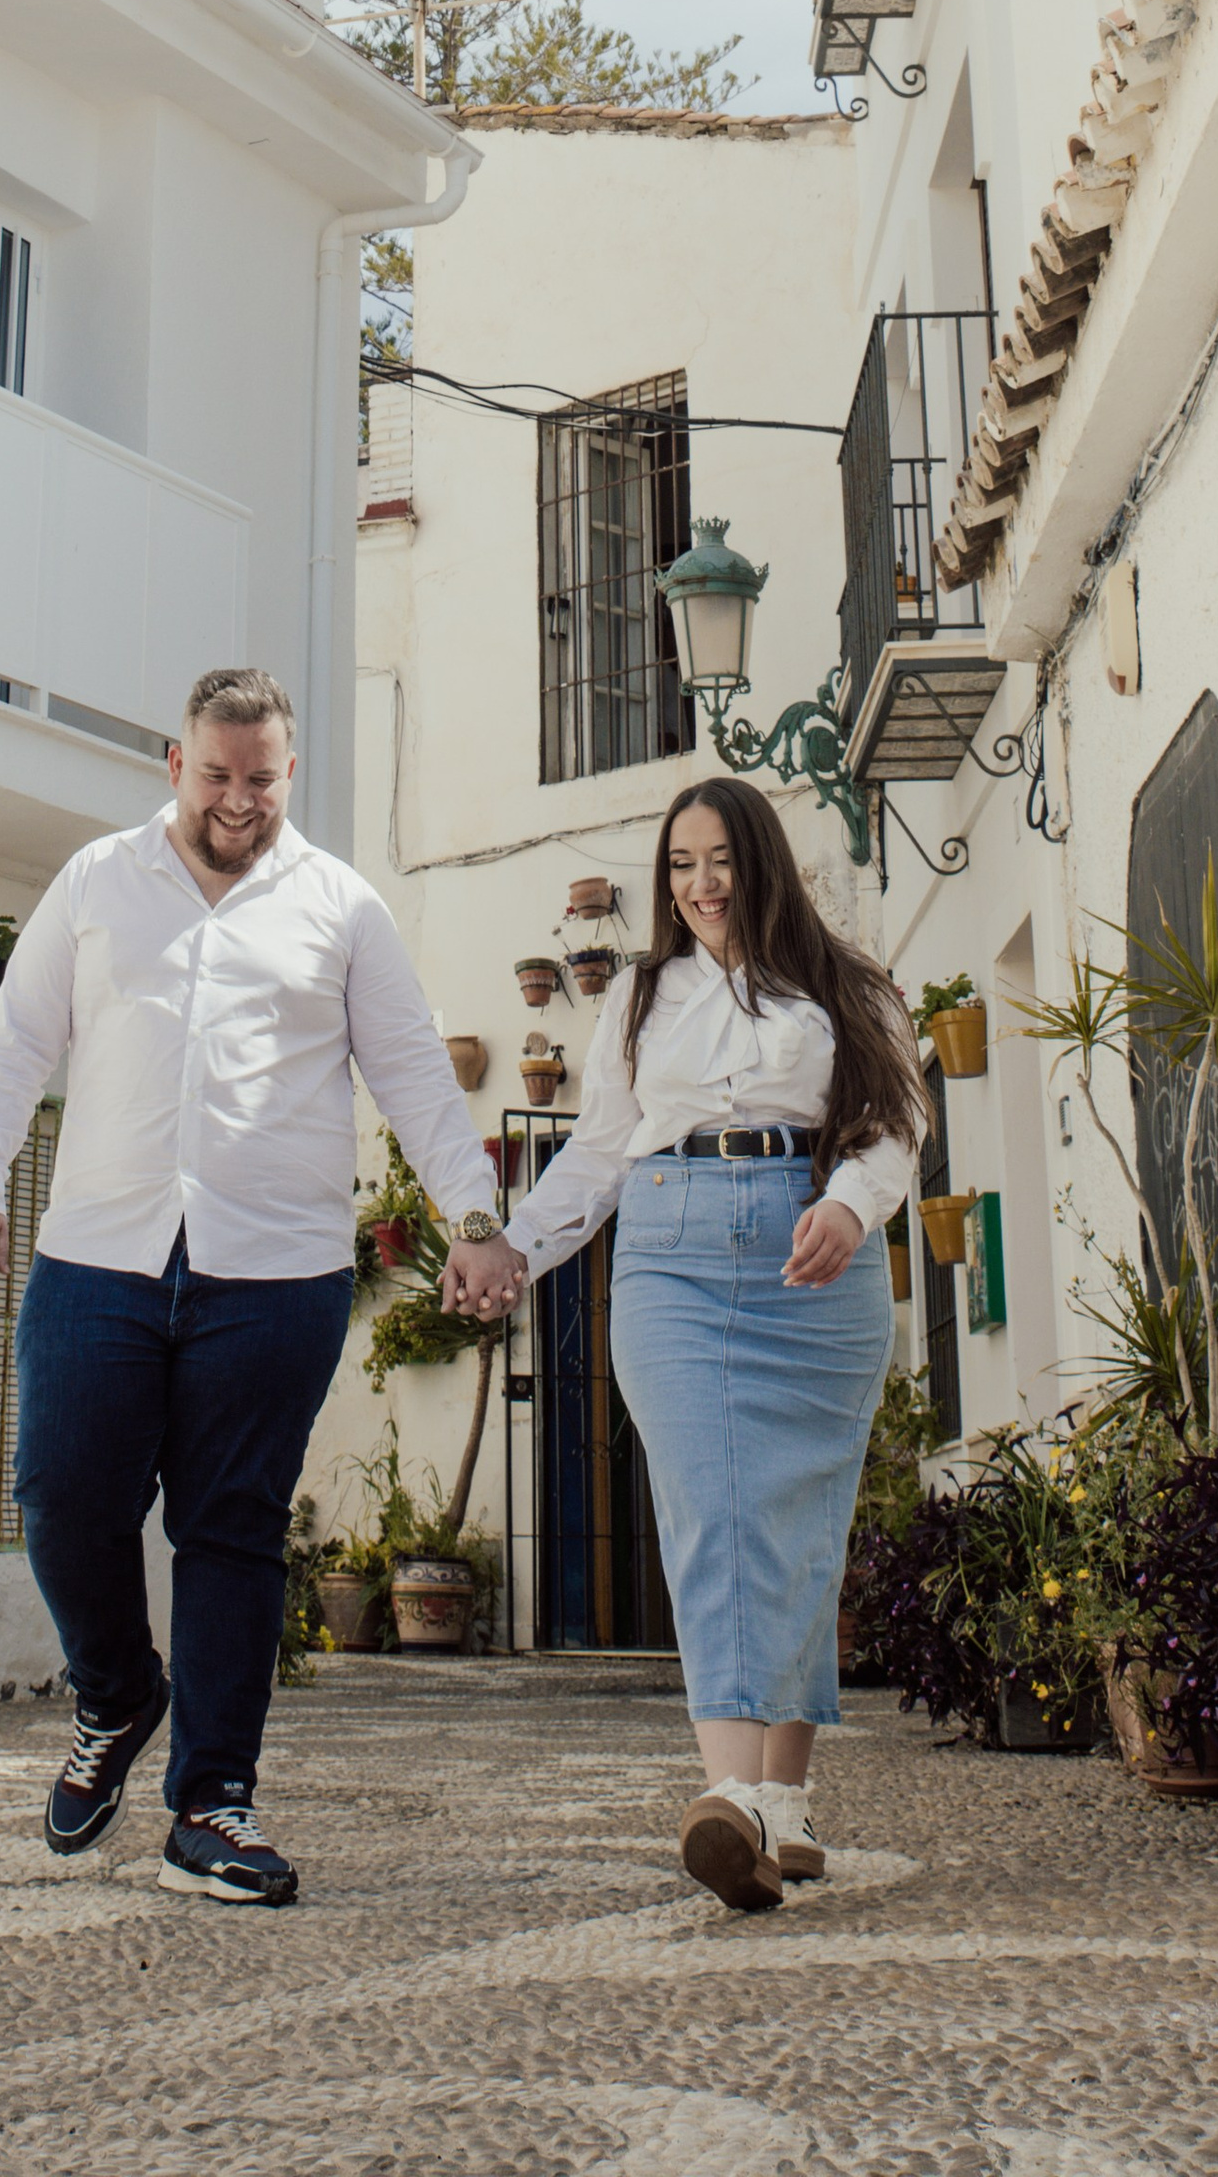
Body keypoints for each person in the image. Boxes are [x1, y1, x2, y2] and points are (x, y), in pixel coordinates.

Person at [0, 665, 509, 1907]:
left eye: (259, 778)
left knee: (232, 1534)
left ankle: (212, 1806)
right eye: (215, 775)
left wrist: (473, 1217)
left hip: (276, 1269)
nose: (237, 800)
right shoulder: (97, 880)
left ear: (286, 773)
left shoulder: (341, 907)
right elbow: (17, 1041)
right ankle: (115, 1693)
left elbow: (413, 1071)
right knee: (58, 1493)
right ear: (175, 764)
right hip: (99, 1250)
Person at [452, 773, 925, 1910]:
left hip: (814, 1258)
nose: (699, 885)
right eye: (678, 866)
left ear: (757, 860)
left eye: (716, 860)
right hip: (671, 1256)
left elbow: (897, 1126)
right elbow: (601, 1153)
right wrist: (517, 1247)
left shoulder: (850, 983)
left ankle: (787, 1800)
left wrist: (853, 1204)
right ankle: (732, 1796)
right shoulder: (637, 999)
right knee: (711, 1511)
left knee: (802, 1528)